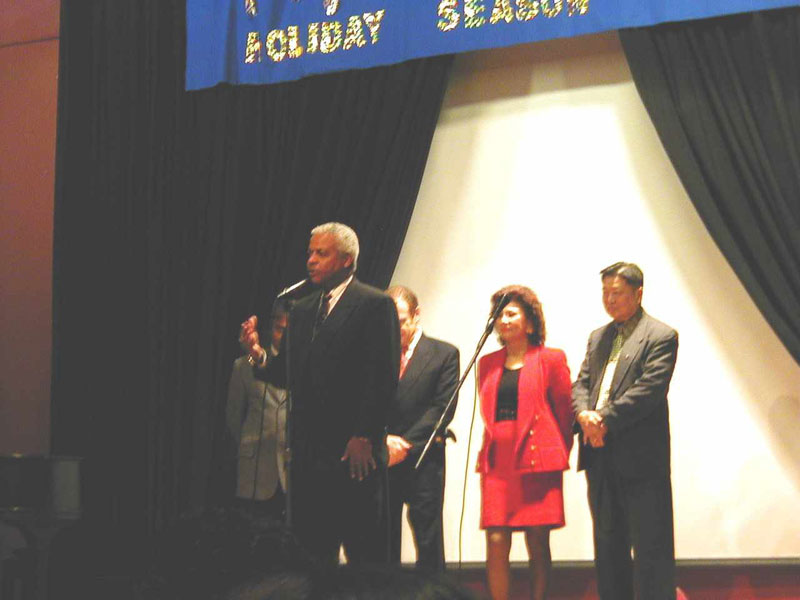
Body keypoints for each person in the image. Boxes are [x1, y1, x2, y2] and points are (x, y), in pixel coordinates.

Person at [239, 222, 400, 566]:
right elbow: (289, 373)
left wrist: (363, 435)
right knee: (311, 555)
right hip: (308, 455)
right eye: (310, 253)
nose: (311, 260)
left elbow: (382, 378)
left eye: (321, 253)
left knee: (365, 557)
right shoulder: (302, 309)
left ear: (346, 260)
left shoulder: (374, 304)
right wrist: (257, 354)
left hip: (353, 453)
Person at [572, 262, 678, 600]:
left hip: (640, 460)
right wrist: (583, 415)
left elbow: (648, 391)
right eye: (605, 292)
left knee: (651, 549)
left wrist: (602, 419)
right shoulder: (598, 337)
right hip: (599, 454)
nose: (609, 299)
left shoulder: (660, 336)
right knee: (608, 547)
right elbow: (582, 384)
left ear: (638, 293)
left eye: (616, 292)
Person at [476, 286, 574, 600]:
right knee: (495, 539)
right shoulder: (487, 363)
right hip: (498, 460)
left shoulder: (551, 359)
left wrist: (555, 451)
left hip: (536, 459)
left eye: (511, 313)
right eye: (499, 314)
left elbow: (565, 412)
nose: (503, 320)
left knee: (537, 540)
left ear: (530, 322)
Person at [385, 285, 460, 572]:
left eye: (401, 321)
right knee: (383, 541)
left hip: (424, 457)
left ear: (416, 315)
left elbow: (442, 409)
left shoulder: (443, 354)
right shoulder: (377, 353)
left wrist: (402, 444)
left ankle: (433, 590)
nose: (396, 329)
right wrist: (384, 441)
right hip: (384, 456)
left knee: (428, 541)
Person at [227, 302, 289, 518]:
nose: (284, 336)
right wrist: (248, 443)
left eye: (289, 330)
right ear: (271, 328)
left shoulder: (301, 366)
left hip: (288, 473)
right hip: (254, 469)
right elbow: (233, 416)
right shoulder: (243, 366)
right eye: (280, 329)